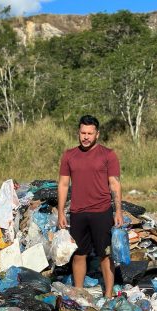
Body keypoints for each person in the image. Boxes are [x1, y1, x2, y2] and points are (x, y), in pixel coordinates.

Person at [58, 114, 123, 298]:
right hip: (77, 212)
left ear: (97, 134)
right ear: (78, 133)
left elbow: (115, 183)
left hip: (101, 211)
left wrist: (118, 210)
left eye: (90, 133)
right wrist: (61, 212)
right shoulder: (69, 155)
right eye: (83, 133)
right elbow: (63, 184)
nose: (86, 137)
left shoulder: (108, 155)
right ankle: (79, 293)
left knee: (105, 255)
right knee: (79, 254)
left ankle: (108, 295)